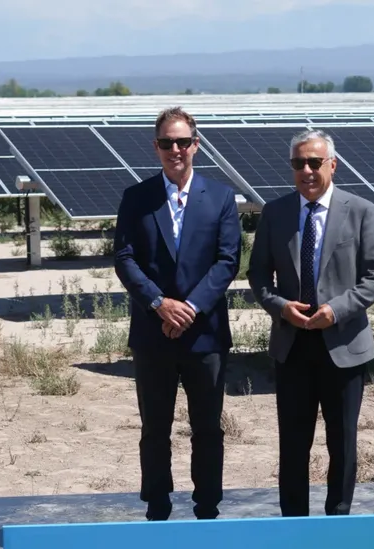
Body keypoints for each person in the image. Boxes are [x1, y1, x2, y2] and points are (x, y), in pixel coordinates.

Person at [247, 129, 374, 517]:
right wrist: (279, 307)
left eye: (315, 162)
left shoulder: (361, 210)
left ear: (333, 164)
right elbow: (258, 275)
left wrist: (337, 309)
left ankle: (338, 521)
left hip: (343, 345)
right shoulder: (275, 213)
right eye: (299, 164)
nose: (307, 171)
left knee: (342, 442)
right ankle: (294, 523)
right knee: (293, 443)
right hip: (292, 345)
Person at [113, 106, 241, 521]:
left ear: (196, 146)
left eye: (182, 142)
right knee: (155, 429)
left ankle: (208, 505)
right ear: (156, 147)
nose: (175, 150)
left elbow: (227, 261)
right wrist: (159, 304)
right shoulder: (136, 198)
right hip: (154, 333)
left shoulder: (220, 197)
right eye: (167, 142)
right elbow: (125, 258)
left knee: (207, 428)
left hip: (204, 335)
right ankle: (158, 504)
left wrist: (189, 307)